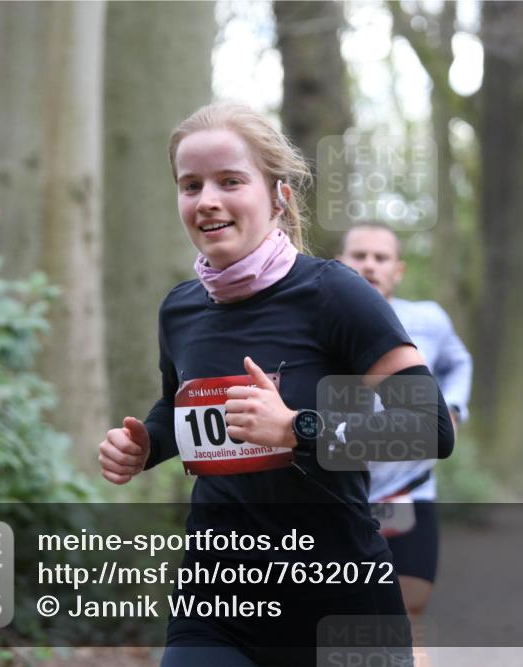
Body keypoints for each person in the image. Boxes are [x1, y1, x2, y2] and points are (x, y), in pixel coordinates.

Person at [96, 103, 454, 667]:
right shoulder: (181, 309)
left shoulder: (334, 294)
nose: (207, 199)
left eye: (230, 181)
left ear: (279, 197)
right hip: (216, 599)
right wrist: (147, 445)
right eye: (190, 185)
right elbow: (178, 407)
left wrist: (296, 428)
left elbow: (429, 429)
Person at [338, 223, 472, 662]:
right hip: (336, 495)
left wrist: (452, 407)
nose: (369, 265)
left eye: (380, 258)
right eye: (359, 256)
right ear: (340, 264)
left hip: (407, 491)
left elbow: (458, 361)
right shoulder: (316, 319)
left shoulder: (428, 320)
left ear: (398, 270)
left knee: (408, 614)